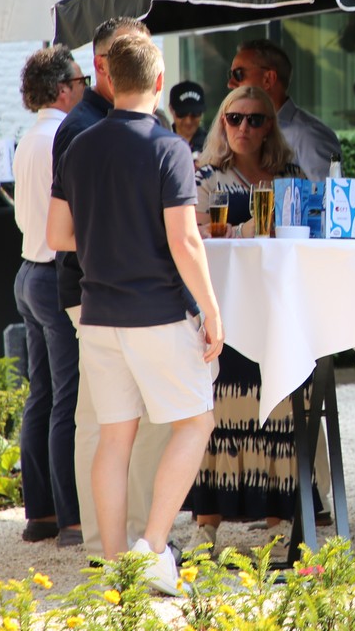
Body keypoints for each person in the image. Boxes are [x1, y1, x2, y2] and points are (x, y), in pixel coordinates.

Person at [47, 34, 224, 596]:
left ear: (107, 77)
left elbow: (57, 234)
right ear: (158, 82)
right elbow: (185, 241)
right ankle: (153, 547)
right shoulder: (168, 147)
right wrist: (212, 309)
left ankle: (117, 565)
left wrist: (109, 233)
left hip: (98, 313)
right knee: (195, 422)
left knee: (114, 437)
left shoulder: (77, 145)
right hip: (157, 310)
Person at [52, 16, 169, 556]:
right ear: (102, 64)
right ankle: (122, 541)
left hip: (105, 290)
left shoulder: (113, 121)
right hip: (99, 290)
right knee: (112, 421)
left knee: (116, 420)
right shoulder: (82, 128)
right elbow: (68, 230)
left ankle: (122, 542)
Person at [188, 86, 305, 556]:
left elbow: (308, 225)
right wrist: (240, 229)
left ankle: (279, 525)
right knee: (217, 416)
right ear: (222, 121)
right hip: (226, 311)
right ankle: (205, 528)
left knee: (278, 412)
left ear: (270, 127)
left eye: (256, 119)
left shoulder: (290, 175)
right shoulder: (206, 174)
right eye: (234, 118)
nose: (244, 127)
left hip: (277, 310)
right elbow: (188, 230)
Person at [12, 46, 88, 547]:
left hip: (28, 271)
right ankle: (71, 519)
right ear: (63, 89)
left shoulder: (29, 138)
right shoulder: (63, 135)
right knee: (67, 398)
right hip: (52, 275)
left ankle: (40, 512)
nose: (84, 88)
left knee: (41, 395)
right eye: (80, 81)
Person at [228, 40, 341, 180]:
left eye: (238, 74)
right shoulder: (239, 131)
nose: (230, 83)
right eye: (230, 75)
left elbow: (331, 192)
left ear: (268, 79)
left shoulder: (307, 135)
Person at [169, 81, 207, 153]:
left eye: (195, 114)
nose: (188, 121)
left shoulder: (212, 146)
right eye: (182, 114)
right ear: (171, 109)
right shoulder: (161, 143)